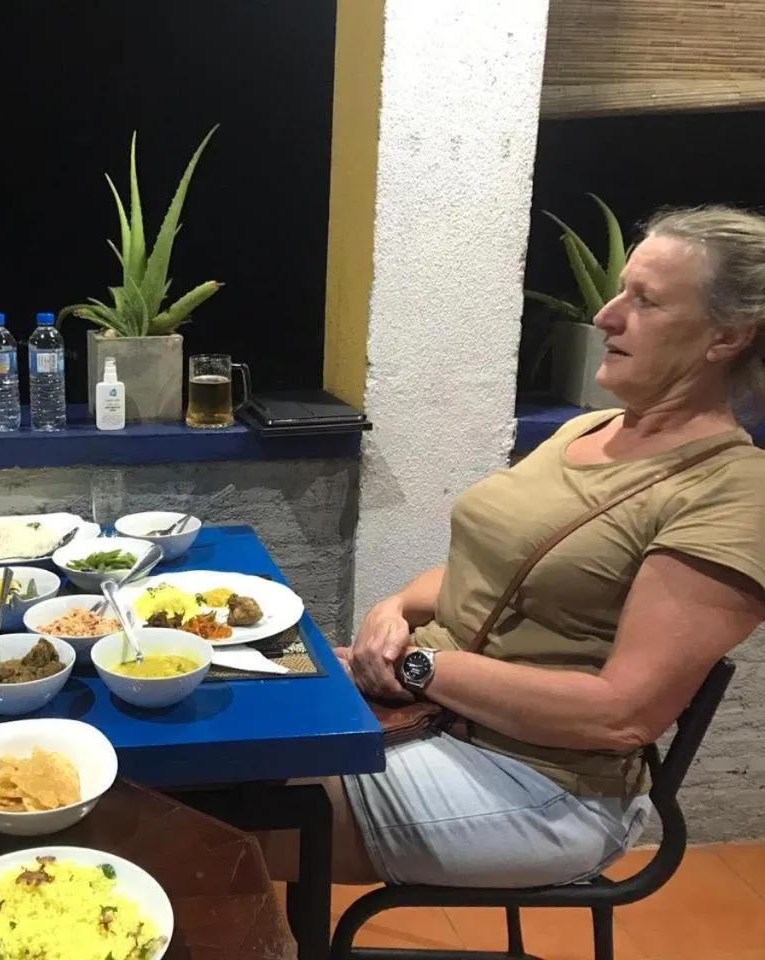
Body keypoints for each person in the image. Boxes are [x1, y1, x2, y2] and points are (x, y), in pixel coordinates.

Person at [264, 205, 765, 889]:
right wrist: (395, 608)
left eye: (645, 301)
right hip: (432, 719)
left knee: (208, 813)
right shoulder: (590, 430)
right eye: (620, 290)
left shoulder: (733, 491)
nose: (606, 317)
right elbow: (489, 569)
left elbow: (624, 713)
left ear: (727, 336)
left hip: (538, 784)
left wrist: (417, 670)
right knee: (199, 740)